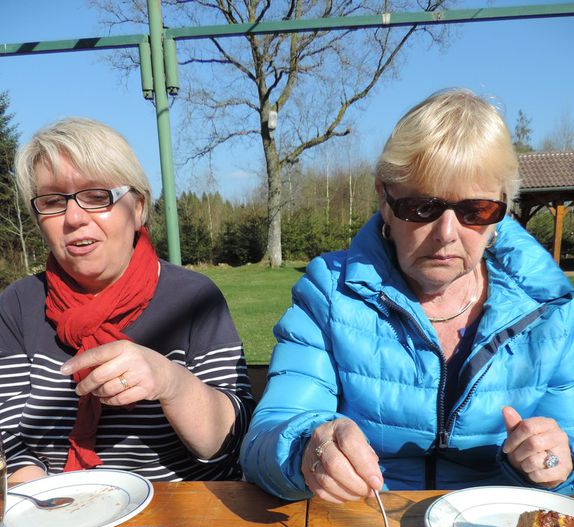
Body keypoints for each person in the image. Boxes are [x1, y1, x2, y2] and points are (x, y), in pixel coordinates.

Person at [240, 88, 574, 502]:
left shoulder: (551, 314)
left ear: (502, 211)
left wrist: (555, 465)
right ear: (384, 198)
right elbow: (263, 443)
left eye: (476, 211)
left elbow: (567, 457)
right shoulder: (330, 294)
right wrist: (307, 449)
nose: (447, 233)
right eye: (421, 207)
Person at [0, 117, 253, 483]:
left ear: (137, 208)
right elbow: (6, 433)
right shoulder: (19, 304)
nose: (73, 217)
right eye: (53, 201)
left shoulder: (194, 298)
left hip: (177, 519)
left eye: (96, 196)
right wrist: (44, 504)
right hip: (53, 511)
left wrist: (170, 382)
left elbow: (231, 441)